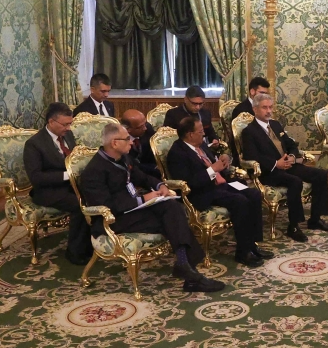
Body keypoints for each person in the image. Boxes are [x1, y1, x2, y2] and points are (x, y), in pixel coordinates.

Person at [80, 123, 224, 293]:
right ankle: (189, 271)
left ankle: (185, 266)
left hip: (133, 210)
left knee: (172, 207)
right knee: (171, 219)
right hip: (111, 220)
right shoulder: (94, 170)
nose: (131, 142)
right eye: (127, 139)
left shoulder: (124, 158)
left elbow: (144, 177)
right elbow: (107, 205)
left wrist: (160, 185)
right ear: (114, 143)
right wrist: (143, 199)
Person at [167, 117, 270, 268]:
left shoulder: (200, 144)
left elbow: (213, 160)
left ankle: (252, 244)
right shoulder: (177, 153)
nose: (204, 134)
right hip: (203, 192)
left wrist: (224, 159)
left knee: (253, 194)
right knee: (240, 201)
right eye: (201, 131)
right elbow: (189, 183)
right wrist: (212, 169)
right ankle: (242, 252)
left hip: (220, 184)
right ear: (190, 134)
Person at [241, 93, 328, 238]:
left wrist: (291, 156)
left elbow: (291, 144)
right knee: (295, 182)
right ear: (255, 109)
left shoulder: (276, 125)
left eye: (270, 107)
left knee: (320, 174)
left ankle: (315, 219)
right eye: (265, 108)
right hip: (269, 172)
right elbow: (251, 156)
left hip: (288, 165)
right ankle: (294, 226)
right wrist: (276, 163)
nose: (269, 111)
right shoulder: (249, 132)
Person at [23, 102, 92, 264]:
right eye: (65, 124)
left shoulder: (68, 135)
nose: (68, 128)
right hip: (47, 191)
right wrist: (67, 176)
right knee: (80, 205)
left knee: (96, 195)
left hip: (71, 185)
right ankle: (74, 252)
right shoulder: (34, 144)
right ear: (51, 122)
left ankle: (92, 244)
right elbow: (36, 178)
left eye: (70, 123)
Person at [120, 109, 161, 179]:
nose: (145, 128)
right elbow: (129, 164)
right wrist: (154, 168)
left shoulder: (148, 129)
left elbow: (154, 151)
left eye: (145, 124)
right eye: (141, 126)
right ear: (128, 129)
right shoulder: (119, 140)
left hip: (151, 173)